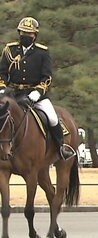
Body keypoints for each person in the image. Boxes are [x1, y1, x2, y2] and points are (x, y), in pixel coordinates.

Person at [0, 17, 75, 159]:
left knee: (52, 118)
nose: (25, 36)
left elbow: (46, 77)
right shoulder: (10, 50)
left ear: (35, 35)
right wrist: (2, 87)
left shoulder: (42, 52)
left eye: (29, 34)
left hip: (35, 94)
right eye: (22, 33)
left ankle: (61, 148)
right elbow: (2, 72)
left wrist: (37, 92)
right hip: (12, 93)